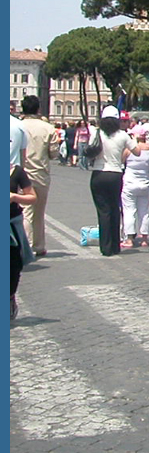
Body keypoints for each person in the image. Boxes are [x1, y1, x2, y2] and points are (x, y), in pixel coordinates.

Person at [88, 105, 140, 256]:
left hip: (98, 173)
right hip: (115, 174)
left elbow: (90, 151)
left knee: (103, 211)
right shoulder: (122, 135)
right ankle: (115, 245)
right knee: (115, 208)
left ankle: (105, 247)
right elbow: (137, 152)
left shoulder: (97, 133)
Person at [18, 96, 60, 258]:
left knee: (26, 211)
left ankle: (25, 245)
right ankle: (38, 245)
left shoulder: (18, 126)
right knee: (39, 211)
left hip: (21, 174)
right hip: (41, 173)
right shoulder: (48, 128)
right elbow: (53, 153)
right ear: (38, 109)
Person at [120, 124, 149, 248]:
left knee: (129, 211)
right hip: (144, 182)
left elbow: (121, 160)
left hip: (130, 182)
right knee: (144, 211)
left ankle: (129, 239)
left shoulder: (130, 148)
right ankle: (144, 238)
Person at [10, 161, 37, 320]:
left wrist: (14, 197)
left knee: (14, 265)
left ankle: (10, 295)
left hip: (11, 224)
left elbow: (32, 197)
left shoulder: (17, 172)